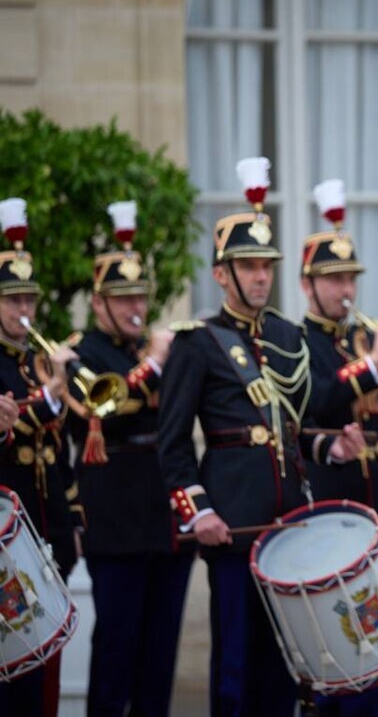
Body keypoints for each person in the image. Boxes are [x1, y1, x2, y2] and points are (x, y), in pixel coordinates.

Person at [157, 158, 365, 717]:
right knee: (236, 665)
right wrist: (198, 512)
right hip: (231, 522)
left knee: (286, 662)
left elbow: (297, 424)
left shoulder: (286, 335)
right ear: (221, 274)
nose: (259, 277)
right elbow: (172, 443)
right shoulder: (198, 341)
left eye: (266, 266)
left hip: (289, 521)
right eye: (247, 266)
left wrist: (330, 447)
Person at [62, 201, 192, 717]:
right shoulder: (80, 352)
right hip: (115, 518)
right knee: (116, 650)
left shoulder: (150, 351)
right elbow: (102, 410)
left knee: (159, 658)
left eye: (140, 296)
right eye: (123, 298)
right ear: (99, 303)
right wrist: (155, 364)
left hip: (165, 519)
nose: (136, 307)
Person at [299, 179, 378, 716]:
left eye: (350, 277)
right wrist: (372, 364)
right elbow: (320, 402)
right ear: (307, 285)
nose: (345, 288)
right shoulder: (296, 341)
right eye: (334, 279)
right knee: (337, 639)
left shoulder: (362, 337)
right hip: (333, 500)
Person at [0, 197, 81, 716]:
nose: (24, 311)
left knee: (45, 663)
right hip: (8, 532)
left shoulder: (38, 361)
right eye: (13, 301)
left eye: (29, 299)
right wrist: (50, 398)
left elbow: (60, 447)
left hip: (48, 525)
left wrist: (75, 517)